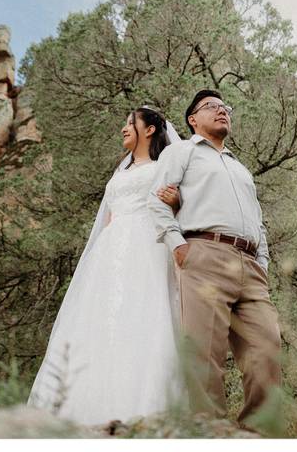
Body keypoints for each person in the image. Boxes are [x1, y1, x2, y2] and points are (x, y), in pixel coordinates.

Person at [27, 106, 186, 425]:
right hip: (110, 249)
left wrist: (175, 202)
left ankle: (142, 410)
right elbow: (111, 211)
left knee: (142, 315)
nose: (124, 128)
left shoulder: (162, 166)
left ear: (150, 129)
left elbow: (177, 204)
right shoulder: (122, 171)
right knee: (99, 319)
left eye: (131, 123)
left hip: (146, 245)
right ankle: (83, 410)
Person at [146, 89, 282, 428]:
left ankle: (257, 433)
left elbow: (258, 219)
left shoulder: (241, 169)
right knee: (205, 354)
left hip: (250, 265)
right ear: (193, 119)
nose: (222, 112)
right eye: (211, 107)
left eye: (225, 108)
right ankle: (211, 432)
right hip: (204, 254)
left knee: (267, 349)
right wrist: (179, 246)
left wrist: (262, 261)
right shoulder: (181, 152)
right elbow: (156, 200)